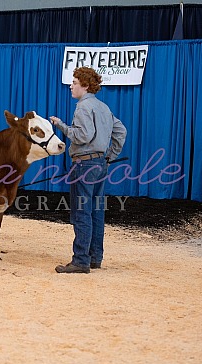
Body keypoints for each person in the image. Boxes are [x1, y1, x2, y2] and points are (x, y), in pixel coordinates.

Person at [50, 67, 127, 274]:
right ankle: (94, 257)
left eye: (74, 83)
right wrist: (110, 155)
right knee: (96, 211)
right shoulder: (103, 107)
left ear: (84, 86)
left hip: (84, 164)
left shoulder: (83, 108)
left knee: (81, 212)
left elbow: (83, 136)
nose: (71, 86)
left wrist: (62, 126)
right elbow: (121, 131)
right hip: (100, 164)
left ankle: (81, 261)